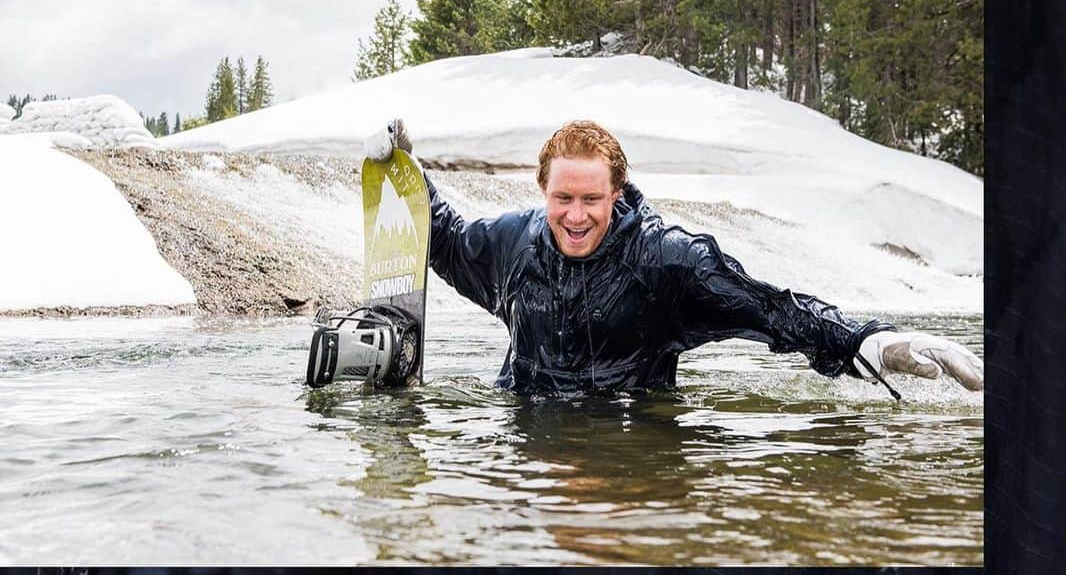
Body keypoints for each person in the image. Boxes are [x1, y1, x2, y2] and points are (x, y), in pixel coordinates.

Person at [363, 118, 984, 395]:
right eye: (562, 198)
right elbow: (443, 240)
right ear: (542, 191)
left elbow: (773, 310)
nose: (575, 216)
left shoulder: (666, 261)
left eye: (591, 199)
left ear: (617, 193)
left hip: (635, 447)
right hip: (527, 447)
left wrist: (870, 343)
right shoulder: (512, 244)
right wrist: (410, 173)